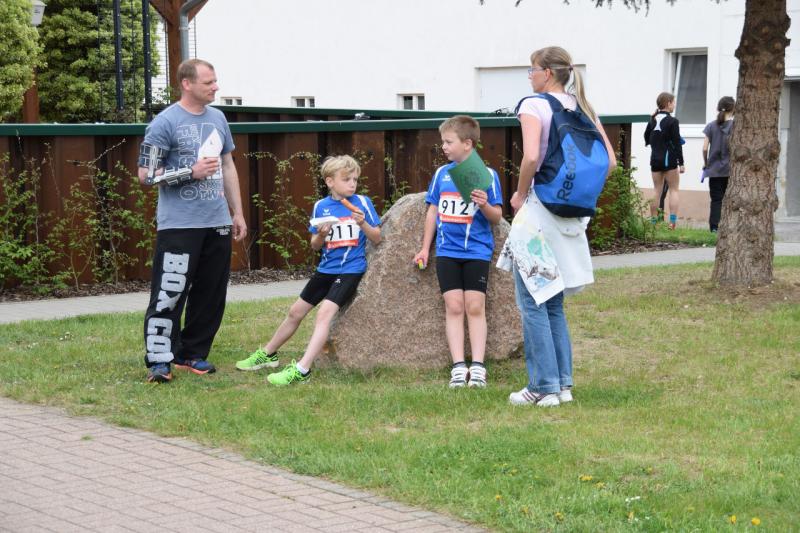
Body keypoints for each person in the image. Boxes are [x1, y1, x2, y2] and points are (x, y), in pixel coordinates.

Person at [505, 46, 615, 406]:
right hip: (568, 214)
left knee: (532, 300)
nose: (530, 76)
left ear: (547, 73)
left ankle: (542, 387)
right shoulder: (584, 107)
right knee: (553, 302)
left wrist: (520, 194)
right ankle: (563, 385)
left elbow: (531, 156)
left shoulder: (533, 105)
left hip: (539, 212)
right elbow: (610, 162)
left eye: (532, 70)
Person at [138, 58, 247, 384]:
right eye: (208, 82)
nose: (215, 87)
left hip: (216, 222)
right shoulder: (164, 123)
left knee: (211, 293)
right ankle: (160, 360)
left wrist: (237, 212)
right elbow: (145, 176)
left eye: (215, 81)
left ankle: (191, 354)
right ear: (187, 84)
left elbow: (228, 166)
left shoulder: (218, 118)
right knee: (170, 292)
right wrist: (190, 172)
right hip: (179, 225)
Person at [236, 155, 381, 385]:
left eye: (355, 179)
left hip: (350, 270)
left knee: (324, 314)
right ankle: (269, 354)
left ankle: (302, 370)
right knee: (295, 312)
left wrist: (362, 222)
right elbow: (314, 245)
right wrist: (322, 235)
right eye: (346, 179)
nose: (352, 184)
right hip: (326, 269)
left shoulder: (362, 203)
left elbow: (377, 237)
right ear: (330, 181)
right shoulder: (321, 206)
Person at [413, 116, 503, 388]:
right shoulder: (442, 174)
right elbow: (433, 211)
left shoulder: (488, 175)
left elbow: (496, 217)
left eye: (448, 142)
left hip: (476, 251)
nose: (443, 146)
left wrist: (484, 204)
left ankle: (478, 366)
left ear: (468, 143)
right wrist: (425, 248)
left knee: (475, 306)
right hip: (447, 252)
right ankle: (458, 366)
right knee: (453, 306)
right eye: (443, 142)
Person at [644, 92, 685, 229]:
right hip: (669, 160)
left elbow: (646, 139)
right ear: (668, 103)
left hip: (655, 160)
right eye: (673, 102)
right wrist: (681, 163)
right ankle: (672, 223)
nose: (674, 105)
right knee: (674, 190)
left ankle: (653, 222)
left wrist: (652, 120)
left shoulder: (652, 120)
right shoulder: (673, 121)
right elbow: (677, 143)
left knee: (657, 191)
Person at [703, 96, 735, 233]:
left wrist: (706, 163)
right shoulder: (736, 126)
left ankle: (714, 228)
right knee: (731, 200)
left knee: (716, 200)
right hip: (730, 170)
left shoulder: (711, 126)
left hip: (714, 170)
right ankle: (729, 227)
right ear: (733, 109)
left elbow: (705, 148)